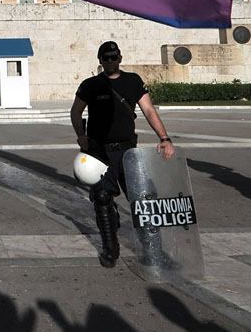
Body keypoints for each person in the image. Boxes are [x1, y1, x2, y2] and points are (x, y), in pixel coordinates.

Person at [70, 41, 175, 268]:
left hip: (127, 150)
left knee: (143, 199)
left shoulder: (133, 81)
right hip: (99, 152)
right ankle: (111, 249)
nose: (110, 60)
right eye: (106, 57)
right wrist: (80, 135)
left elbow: (148, 109)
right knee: (102, 199)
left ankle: (154, 251)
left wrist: (164, 138)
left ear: (120, 57)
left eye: (113, 56)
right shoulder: (91, 85)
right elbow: (76, 111)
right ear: (100, 60)